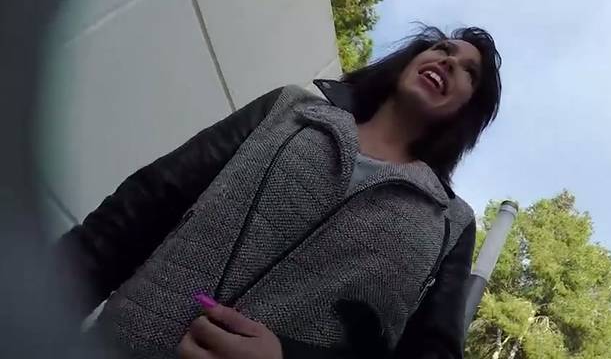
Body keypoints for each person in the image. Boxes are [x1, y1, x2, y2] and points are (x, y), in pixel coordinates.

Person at [53, 25, 503, 359]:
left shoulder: (450, 223)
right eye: (442, 49)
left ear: (469, 109)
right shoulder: (288, 110)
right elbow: (145, 205)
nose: (448, 61)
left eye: (469, 72)